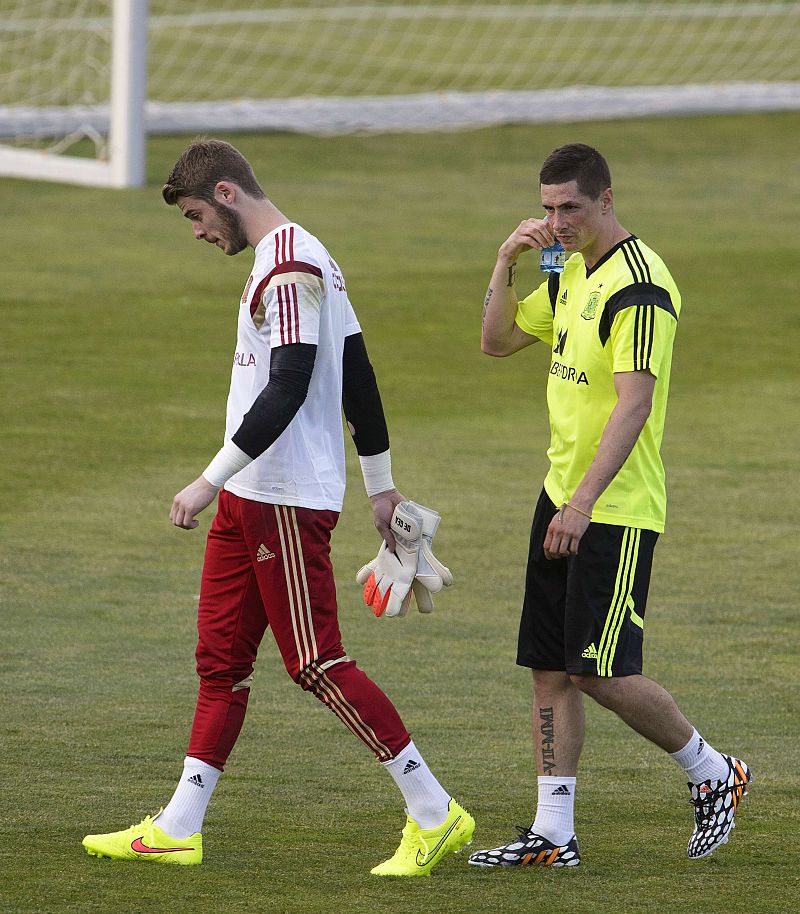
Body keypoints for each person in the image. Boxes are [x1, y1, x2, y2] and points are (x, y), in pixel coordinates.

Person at [82, 139, 473, 876]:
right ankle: (179, 824)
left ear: (227, 195)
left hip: (283, 499)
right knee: (221, 660)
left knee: (317, 661)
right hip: (250, 496)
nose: (197, 231)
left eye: (197, 215)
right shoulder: (304, 251)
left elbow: (291, 386)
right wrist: (381, 486)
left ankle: (435, 811)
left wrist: (205, 479)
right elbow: (358, 373)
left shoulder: (289, 268)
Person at [468, 143, 751, 869]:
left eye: (570, 208)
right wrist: (506, 263)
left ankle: (712, 770)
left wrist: (584, 504)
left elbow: (635, 404)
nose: (556, 221)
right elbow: (496, 342)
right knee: (549, 669)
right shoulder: (566, 269)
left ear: (607, 200)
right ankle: (554, 834)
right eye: (547, 208)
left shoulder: (641, 288)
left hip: (613, 509)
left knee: (600, 670)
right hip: (559, 493)